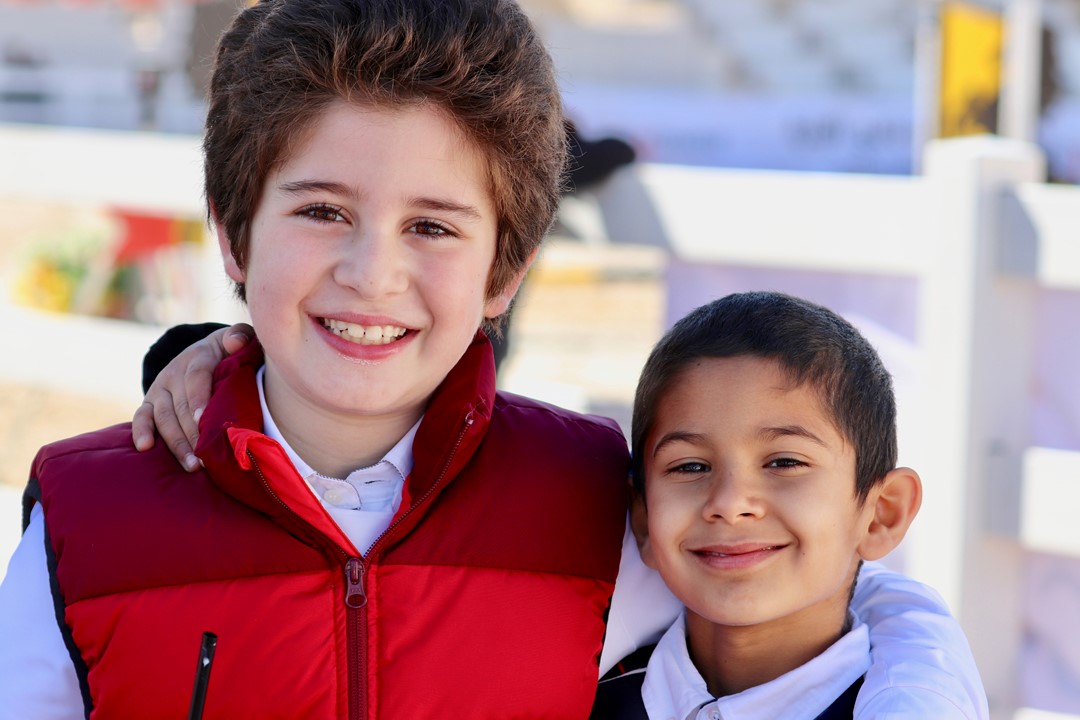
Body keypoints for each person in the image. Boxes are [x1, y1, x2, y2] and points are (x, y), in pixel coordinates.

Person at [0, 1, 986, 718]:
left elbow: (837, 585)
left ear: (505, 271)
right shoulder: (88, 518)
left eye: (432, 226)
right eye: (322, 211)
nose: (372, 274)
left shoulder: (590, 499)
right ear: (232, 233)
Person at [591, 291, 977, 719]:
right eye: (691, 466)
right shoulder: (575, 697)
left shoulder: (911, 705)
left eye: (785, 462)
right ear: (643, 518)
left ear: (881, 515)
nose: (730, 503)